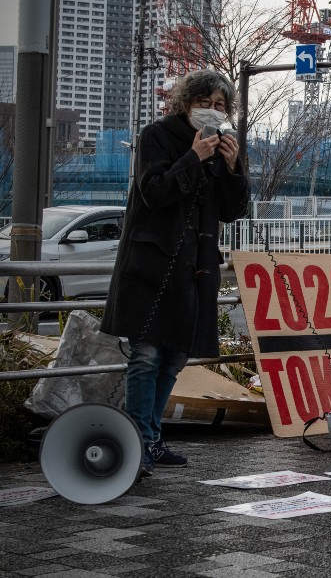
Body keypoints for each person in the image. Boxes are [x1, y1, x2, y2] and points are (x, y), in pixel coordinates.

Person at [101, 69, 249, 476]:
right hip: (151, 263)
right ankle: (139, 441)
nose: (212, 112)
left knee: (174, 358)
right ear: (186, 103)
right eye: (205, 103)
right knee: (146, 355)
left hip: (195, 268)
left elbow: (235, 212)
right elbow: (155, 192)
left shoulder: (224, 145)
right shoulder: (157, 136)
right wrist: (193, 157)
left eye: (220, 106)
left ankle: (151, 438)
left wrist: (233, 169)